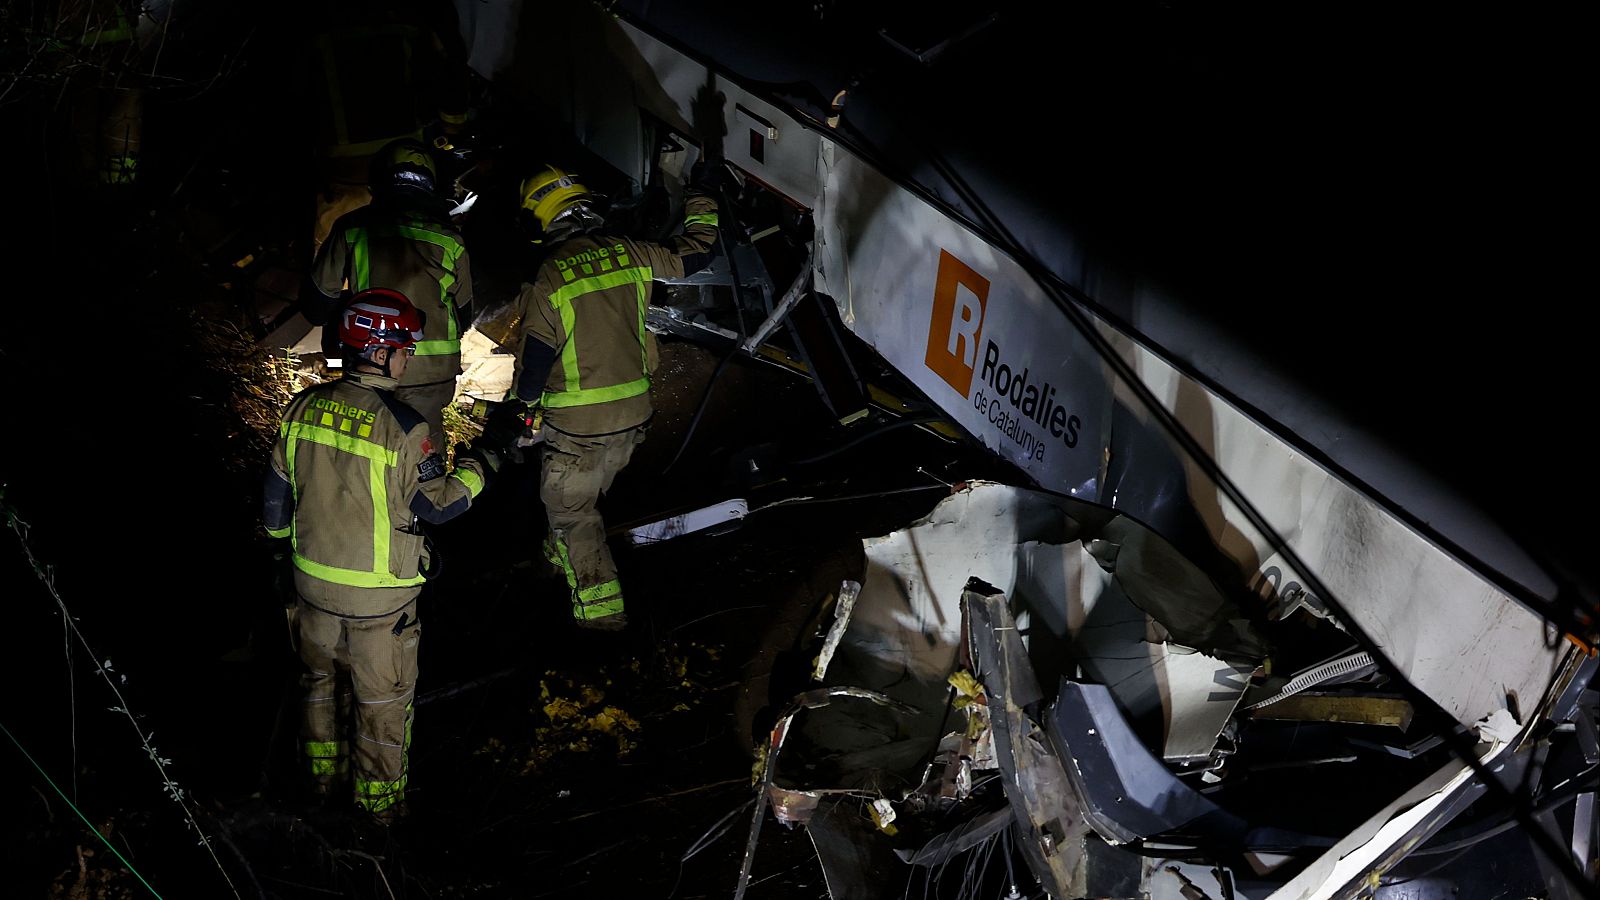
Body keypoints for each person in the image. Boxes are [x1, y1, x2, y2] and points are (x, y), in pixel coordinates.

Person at [262, 288, 499, 820]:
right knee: (382, 710)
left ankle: (320, 792)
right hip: (379, 607)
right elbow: (438, 508)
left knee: (318, 691)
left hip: (311, 592)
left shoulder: (303, 408)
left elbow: (274, 501)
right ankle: (378, 822)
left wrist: (282, 561)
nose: (409, 355)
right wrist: (488, 461)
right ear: (378, 350)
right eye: (404, 346)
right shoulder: (405, 427)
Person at [476, 161, 722, 631]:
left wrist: (520, 412)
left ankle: (602, 621)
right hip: (633, 417)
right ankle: (559, 556)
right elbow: (696, 253)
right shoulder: (627, 252)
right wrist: (703, 193)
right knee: (580, 500)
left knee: (572, 513)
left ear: (539, 220)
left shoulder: (550, 276)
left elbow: (536, 363)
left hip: (578, 429)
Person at [307, 138, 474, 438]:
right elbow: (465, 318)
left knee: (367, 451)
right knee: (422, 460)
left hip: (370, 365)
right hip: (435, 374)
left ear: (378, 181)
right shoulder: (451, 239)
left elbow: (316, 307)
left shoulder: (353, 227)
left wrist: (349, 301)